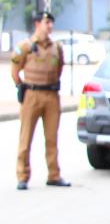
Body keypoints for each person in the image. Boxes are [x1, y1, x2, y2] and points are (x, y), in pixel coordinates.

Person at [12, 11, 68, 190]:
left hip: (51, 95)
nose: (50, 26)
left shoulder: (56, 47)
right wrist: (21, 86)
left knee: (52, 138)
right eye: (46, 22)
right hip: (32, 94)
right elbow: (15, 71)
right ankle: (22, 176)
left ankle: (54, 175)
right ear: (37, 24)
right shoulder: (25, 46)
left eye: (51, 22)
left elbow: (59, 69)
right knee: (26, 137)